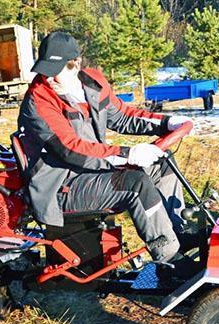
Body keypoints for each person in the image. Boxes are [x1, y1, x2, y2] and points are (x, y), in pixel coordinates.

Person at [17, 31, 197, 274]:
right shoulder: (38, 101)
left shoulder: (91, 84)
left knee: (163, 164)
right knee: (135, 184)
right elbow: (70, 149)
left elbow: (122, 116)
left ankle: (177, 233)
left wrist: (166, 123)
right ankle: (170, 260)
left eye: (55, 70)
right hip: (62, 185)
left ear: (76, 65)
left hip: (92, 170)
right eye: (45, 69)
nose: (47, 77)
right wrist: (127, 154)